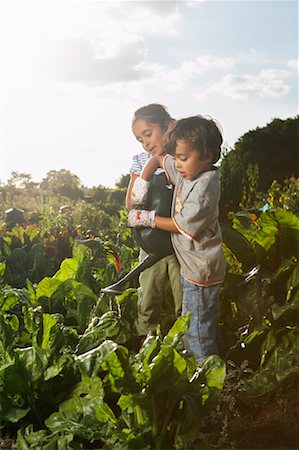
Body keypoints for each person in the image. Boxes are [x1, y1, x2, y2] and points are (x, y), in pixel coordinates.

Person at [128, 115, 226, 362]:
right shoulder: (189, 171)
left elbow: (180, 225)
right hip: (192, 269)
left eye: (183, 158)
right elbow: (159, 160)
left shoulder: (205, 187)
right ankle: (205, 364)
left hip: (202, 272)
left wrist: (146, 218)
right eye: (177, 158)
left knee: (197, 334)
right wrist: (143, 182)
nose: (177, 165)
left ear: (206, 155)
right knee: (194, 323)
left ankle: (210, 381)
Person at [126, 103, 183, 340]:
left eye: (148, 134)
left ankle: (185, 344)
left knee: (184, 295)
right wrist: (148, 171)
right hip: (152, 242)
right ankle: (145, 341)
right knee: (148, 294)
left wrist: (164, 162)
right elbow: (132, 203)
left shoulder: (183, 155)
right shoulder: (141, 161)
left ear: (168, 127)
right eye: (140, 139)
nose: (145, 143)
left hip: (180, 242)